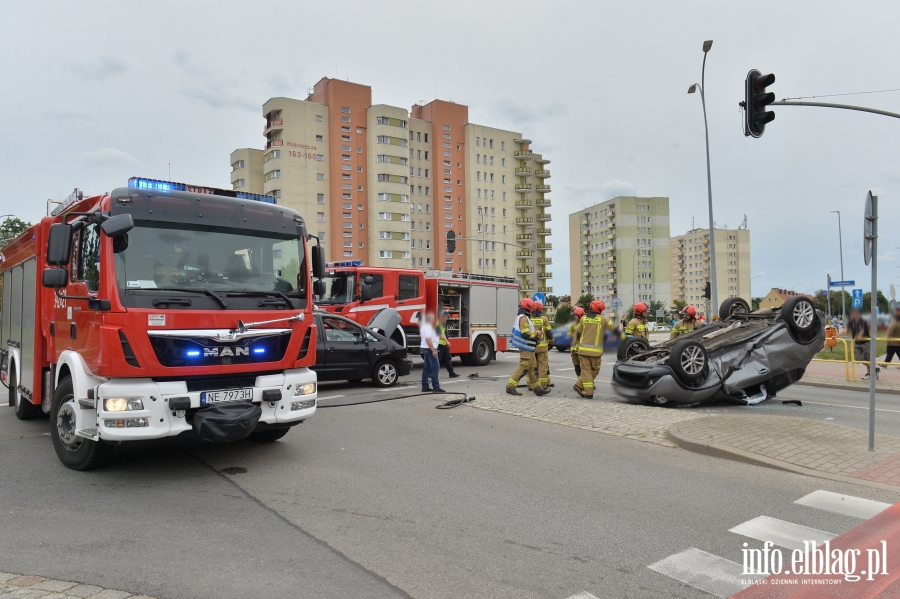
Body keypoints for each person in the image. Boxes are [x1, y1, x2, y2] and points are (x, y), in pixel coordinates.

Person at [573, 299, 615, 399]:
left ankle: (579, 385)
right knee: (594, 370)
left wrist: (576, 346)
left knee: (587, 371)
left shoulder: (583, 319)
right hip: (595, 352)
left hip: (583, 351)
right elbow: (614, 329)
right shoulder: (604, 319)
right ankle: (589, 393)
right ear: (599, 310)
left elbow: (578, 333)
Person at [506, 298, 544, 396]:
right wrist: (537, 333)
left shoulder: (522, 317)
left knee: (532, 369)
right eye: (531, 308)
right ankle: (510, 386)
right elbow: (525, 332)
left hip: (529, 348)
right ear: (527, 308)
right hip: (526, 347)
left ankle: (537, 388)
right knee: (523, 367)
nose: (532, 310)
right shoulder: (523, 318)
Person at [848, 309, 880, 380]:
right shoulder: (852, 322)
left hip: (865, 342)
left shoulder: (862, 321)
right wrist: (837, 335)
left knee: (868, 359)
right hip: (856, 343)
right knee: (858, 358)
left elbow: (862, 330)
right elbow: (845, 328)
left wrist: (859, 335)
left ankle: (869, 373)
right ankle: (875, 369)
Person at [531, 300, 554, 391]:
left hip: (532, 346)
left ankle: (531, 385)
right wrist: (551, 342)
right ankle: (543, 385)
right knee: (542, 366)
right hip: (543, 347)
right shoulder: (544, 319)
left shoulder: (529, 318)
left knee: (532, 366)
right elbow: (549, 333)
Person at [419, 312, 444, 392]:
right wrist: (433, 350)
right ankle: (436, 387)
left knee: (426, 367)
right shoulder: (429, 327)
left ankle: (425, 387)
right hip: (429, 348)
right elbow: (428, 339)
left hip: (425, 348)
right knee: (435, 367)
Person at [435, 310, 459, 378]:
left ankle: (451, 373)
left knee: (448, 358)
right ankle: (432, 374)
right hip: (440, 344)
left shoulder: (443, 323)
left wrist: (446, 341)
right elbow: (440, 334)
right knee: (438, 359)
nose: (447, 318)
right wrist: (447, 341)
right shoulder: (439, 324)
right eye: (446, 316)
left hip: (443, 343)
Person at [568, 307, 585, 376]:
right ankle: (580, 381)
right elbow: (569, 334)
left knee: (584, 367)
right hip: (574, 350)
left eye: (575, 315)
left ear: (580, 315)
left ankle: (583, 382)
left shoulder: (585, 323)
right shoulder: (573, 325)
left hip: (581, 350)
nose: (574, 317)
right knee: (577, 367)